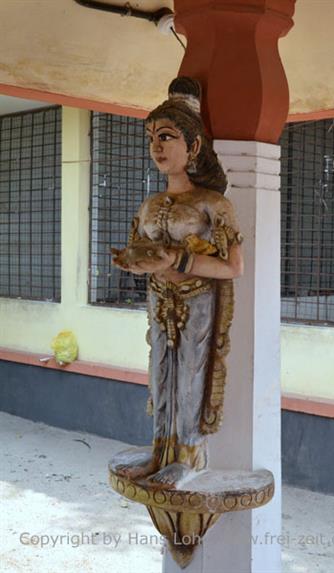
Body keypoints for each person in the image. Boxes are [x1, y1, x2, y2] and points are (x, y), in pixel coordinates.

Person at [112, 77, 243, 488]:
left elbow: (233, 267)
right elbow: (140, 249)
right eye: (152, 137)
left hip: (197, 303)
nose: (157, 146)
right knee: (160, 373)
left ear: (194, 147)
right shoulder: (149, 204)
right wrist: (133, 261)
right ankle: (160, 451)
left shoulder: (213, 204)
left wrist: (180, 259)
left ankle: (187, 457)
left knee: (191, 376)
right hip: (159, 301)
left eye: (167, 136)